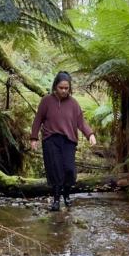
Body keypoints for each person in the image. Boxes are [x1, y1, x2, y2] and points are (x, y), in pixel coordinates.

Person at [30, 71, 96, 211]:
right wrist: (34, 138)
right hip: (51, 140)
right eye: (61, 88)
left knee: (69, 170)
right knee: (55, 170)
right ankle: (56, 200)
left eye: (66, 88)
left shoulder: (74, 104)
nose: (64, 91)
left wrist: (90, 134)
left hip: (68, 141)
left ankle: (66, 195)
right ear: (55, 86)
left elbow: (81, 122)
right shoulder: (46, 101)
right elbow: (38, 120)